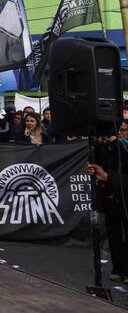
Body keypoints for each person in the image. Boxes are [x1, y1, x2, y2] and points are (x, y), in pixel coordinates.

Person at [90, 121, 128, 282]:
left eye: (124, 131)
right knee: (114, 235)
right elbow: (101, 165)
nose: (120, 134)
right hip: (112, 198)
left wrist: (108, 177)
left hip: (123, 196)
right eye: (119, 131)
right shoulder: (111, 147)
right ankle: (118, 268)